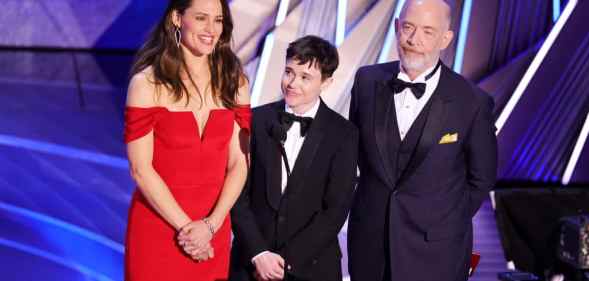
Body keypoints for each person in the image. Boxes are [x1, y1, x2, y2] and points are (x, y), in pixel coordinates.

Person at [347, 0, 497, 280]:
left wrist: (442, 222)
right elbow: (356, 155)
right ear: (396, 28)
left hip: (437, 252)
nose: (414, 40)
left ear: (446, 39)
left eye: (428, 31)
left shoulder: (472, 102)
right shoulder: (367, 81)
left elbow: (482, 179)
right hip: (369, 245)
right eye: (408, 28)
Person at [123, 0, 250, 280]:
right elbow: (140, 170)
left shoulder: (234, 82)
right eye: (201, 18)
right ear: (178, 18)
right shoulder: (147, 84)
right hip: (159, 227)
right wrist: (189, 231)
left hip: (213, 228)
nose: (211, 29)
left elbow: (240, 162)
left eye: (218, 20)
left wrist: (210, 226)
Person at [229, 35, 358, 281]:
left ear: (326, 82)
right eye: (289, 72)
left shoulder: (344, 134)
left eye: (305, 77)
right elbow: (237, 194)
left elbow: (336, 209)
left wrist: (285, 262)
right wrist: (259, 253)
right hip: (250, 264)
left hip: (311, 268)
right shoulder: (256, 121)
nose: (292, 83)